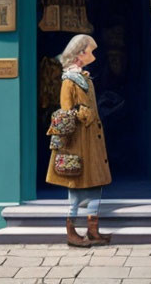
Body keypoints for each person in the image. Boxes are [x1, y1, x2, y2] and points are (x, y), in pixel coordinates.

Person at [45, 34, 112, 248]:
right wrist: (84, 114)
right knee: (75, 188)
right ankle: (71, 231)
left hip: (91, 141)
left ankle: (93, 230)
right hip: (78, 143)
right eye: (90, 51)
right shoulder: (69, 81)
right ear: (80, 54)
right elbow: (66, 112)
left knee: (95, 186)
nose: (93, 55)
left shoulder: (85, 78)